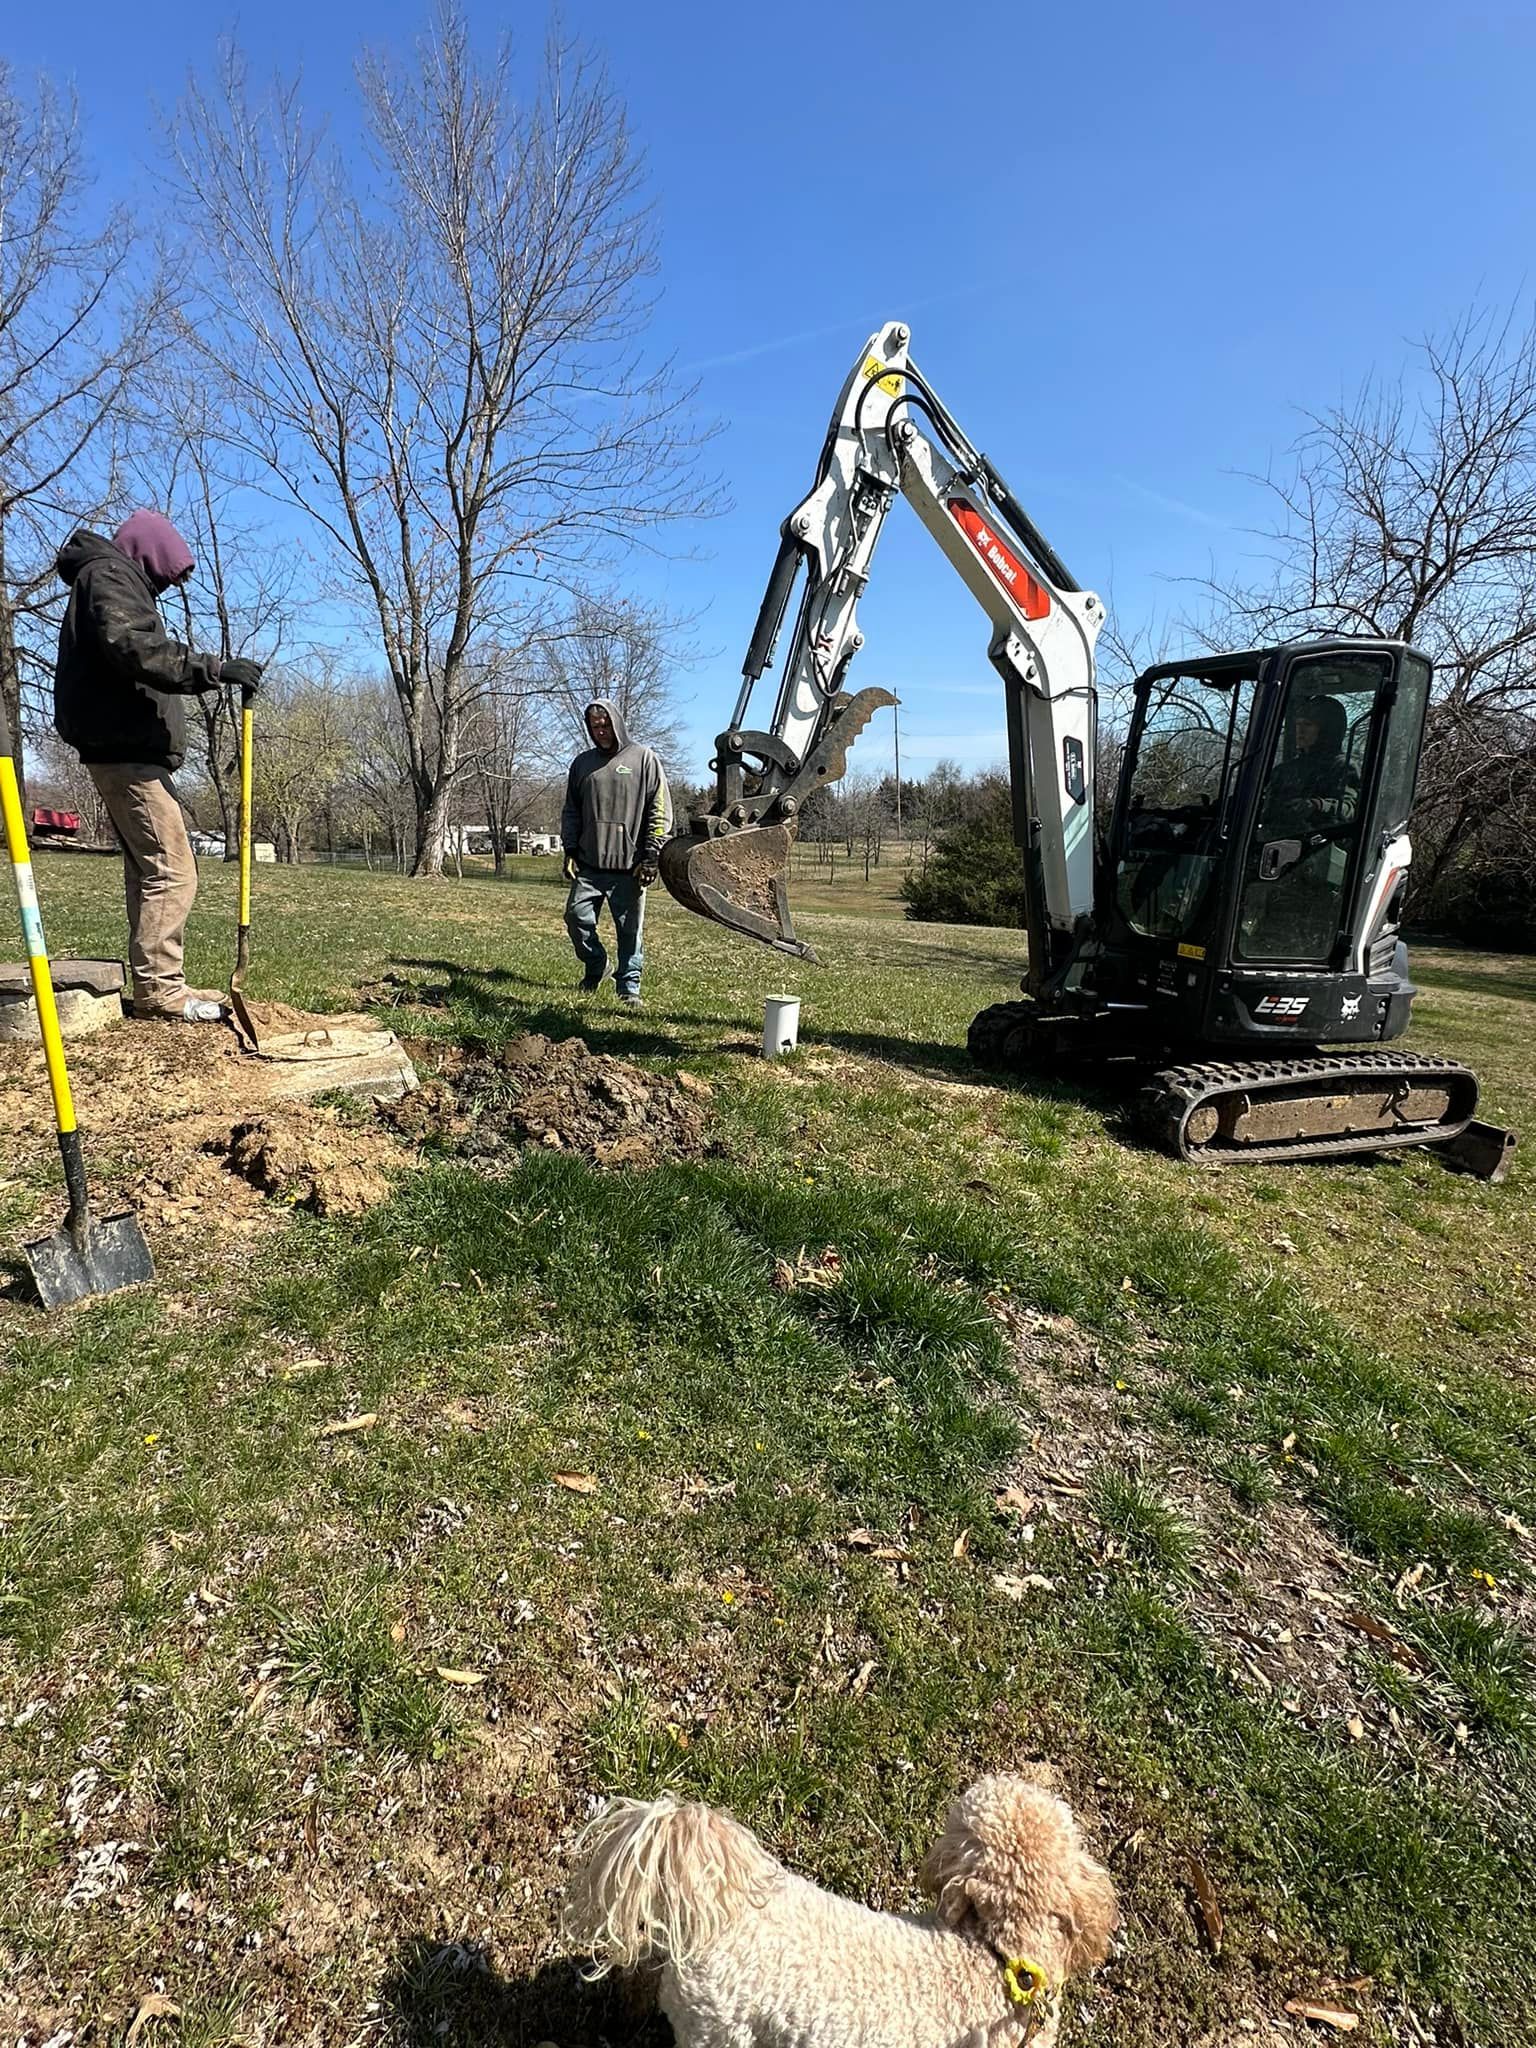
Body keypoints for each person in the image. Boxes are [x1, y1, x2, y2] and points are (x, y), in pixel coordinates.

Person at [53, 509, 263, 1023]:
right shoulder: (108, 576)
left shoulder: (109, 577)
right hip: (124, 751)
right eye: (169, 576)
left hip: (125, 748)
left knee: (150, 870)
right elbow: (135, 646)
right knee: (173, 870)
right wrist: (212, 669)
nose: (168, 588)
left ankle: (154, 984)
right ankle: (162, 992)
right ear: (149, 552)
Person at [560, 697, 671, 1010]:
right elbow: (571, 810)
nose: (601, 731)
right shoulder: (582, 764)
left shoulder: (644, 759)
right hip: (590, 864)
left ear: (617, 722)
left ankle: (629, 988)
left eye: (606, 724)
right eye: (595, 727)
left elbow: (658, 810)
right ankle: (596, 964)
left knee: (629, 932)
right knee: (575, 917)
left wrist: (652, 853)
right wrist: (569, 848)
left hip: (630, 866)